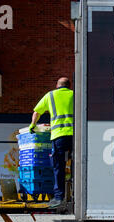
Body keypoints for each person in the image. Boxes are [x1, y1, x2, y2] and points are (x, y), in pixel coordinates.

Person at [29, 77, 73, 208]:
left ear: (57, 85)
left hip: (59, 136)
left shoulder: (50, 95)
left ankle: (59, 197)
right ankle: (77, 194)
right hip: (75, 135)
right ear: (69, 86)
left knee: (59, 166)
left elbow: (37, 112)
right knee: (77, 165)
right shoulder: (75, 94)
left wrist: (32, 125)